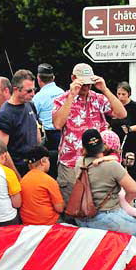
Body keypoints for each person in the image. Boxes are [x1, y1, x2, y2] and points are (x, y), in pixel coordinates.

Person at [74, 129, 136, 270]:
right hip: (106, 216)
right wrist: (125, 202)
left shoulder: (79, 163)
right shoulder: (112, 166)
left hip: (82, 216)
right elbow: (133, 189)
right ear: (102, 146)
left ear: (84, 147)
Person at [52, 63, 126, 204]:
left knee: (96, 206)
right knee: (72, 206)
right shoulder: (61, 100)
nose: (86, 87)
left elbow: (122, 114)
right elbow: (57, 124)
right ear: (73, 78)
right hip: (71, 163)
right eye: (83, 83)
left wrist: (105, 89)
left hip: (96, 162)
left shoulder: (98, 99)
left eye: (89, 83)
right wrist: (72, 95)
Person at [92, 130, 136, 237]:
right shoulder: (101, 155)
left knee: (127, 207)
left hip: (119, 190)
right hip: (112, 190)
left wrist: (102, 159)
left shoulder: (112, 157)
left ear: (110, 145)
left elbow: (114, 158)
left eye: (104, 143)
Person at [0, 69, 41, 177]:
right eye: (29, 91)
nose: (33, 94)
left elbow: (36, 132)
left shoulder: (30, 105)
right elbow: (2, 151)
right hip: (17, 168)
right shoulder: (5, 113)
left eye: (34, 90)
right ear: (15, 89)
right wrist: (17, 177)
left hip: (34, 166)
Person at [109, 82, 136, 178]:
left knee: (132, 170)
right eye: (118, 94)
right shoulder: (113, 106)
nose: (120, 97)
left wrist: (130, 129)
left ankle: (133, 190)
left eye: (123, 94)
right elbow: (108, 122)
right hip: (117, 143)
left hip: (133, 142)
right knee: (117, 169)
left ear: (129, 94)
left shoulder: (135, 107)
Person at [32, 63, 64, 178]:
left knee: (49, 170)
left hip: (48, 137)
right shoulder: (62, 92)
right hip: (63, 133)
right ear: (53, 78)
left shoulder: (38, 97)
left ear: (38, 78)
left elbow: (33, 117)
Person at [19, 145, 64, 225]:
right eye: (48, 160)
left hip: (27, 223)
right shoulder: (49, 181)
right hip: (49, 223)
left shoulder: (23, 180)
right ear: (43, 161)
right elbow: (59, 208)